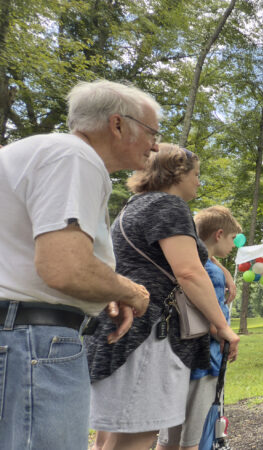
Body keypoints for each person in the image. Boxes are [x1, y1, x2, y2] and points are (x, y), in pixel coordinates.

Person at [0, 80, 155, 449]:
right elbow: (64, 267)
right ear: (117, 125)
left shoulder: (32, 152)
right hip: (34, 343)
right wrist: (131, 291)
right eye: (152, 131)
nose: (156, 144)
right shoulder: (76, 157)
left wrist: (102, 292)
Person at [85, 143, 240, 450]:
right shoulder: (169, 206)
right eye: (196, 174)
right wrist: (222, 326)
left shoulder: (135, 205)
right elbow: (189, 272)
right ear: (176, 172)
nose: (199, 181)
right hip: (148, 334)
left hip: (120, 328)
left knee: (111, 436)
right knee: (138, 434)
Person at [157, 206, 242, 449]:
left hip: (177, 357)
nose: (233, 245)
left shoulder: (188, 261)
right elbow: (210, 320)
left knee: (168, 437)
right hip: (204, 360)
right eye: (232, 238)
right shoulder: (211, 274)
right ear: (218, 234)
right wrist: (227, 335)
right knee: (192, 439)